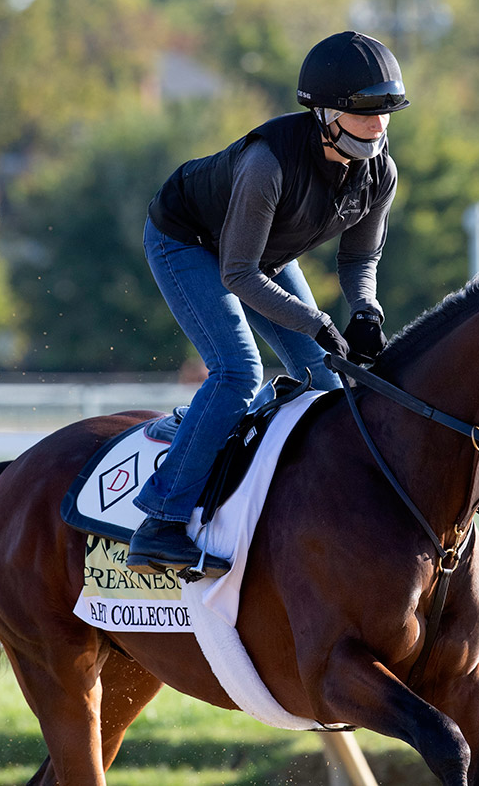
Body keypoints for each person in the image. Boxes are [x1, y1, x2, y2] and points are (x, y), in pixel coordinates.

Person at [126, 31, 409, 577]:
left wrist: (367, 312)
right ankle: (160, 522)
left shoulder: (381, 172)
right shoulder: (267, 164)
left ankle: (202, 429)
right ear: (325, 113)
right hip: (189, 242)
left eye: (387, 112)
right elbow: (237, 274)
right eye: (365, 112)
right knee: (237, 370)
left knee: (326, 382)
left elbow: (357, 263)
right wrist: (321, 322)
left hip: (262, 256)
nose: (379, 126)